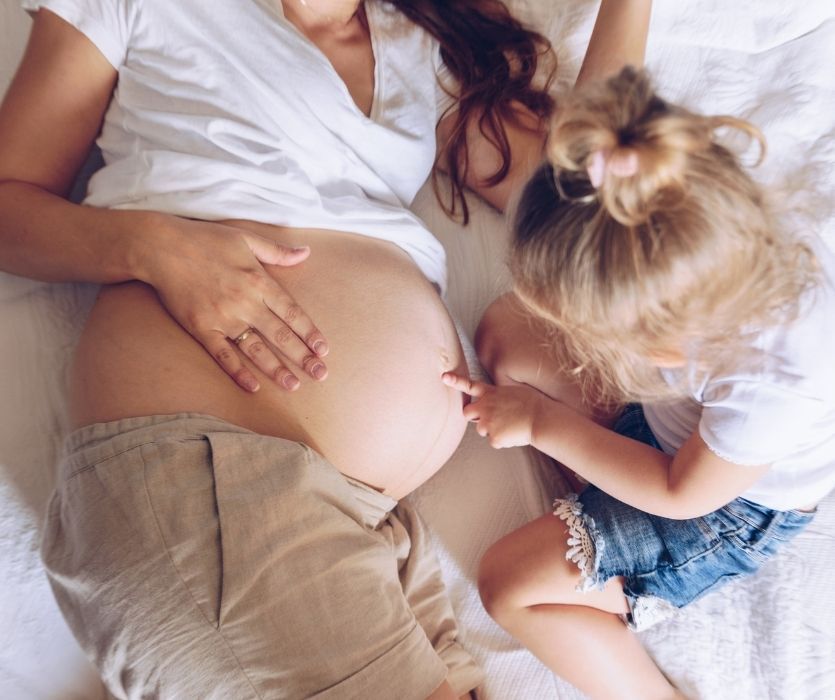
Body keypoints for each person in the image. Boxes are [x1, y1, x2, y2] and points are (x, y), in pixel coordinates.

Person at [0, 0, 652, 697]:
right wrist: (152, 246)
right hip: (204, 482)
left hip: (355, 519)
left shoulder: (417, 39)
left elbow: (579, 195)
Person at [442, 67, 835, 700]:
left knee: (508, 583)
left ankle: (648, 669)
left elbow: (683, 493)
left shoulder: (778, 378)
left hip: (723, 505)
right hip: (673, 420)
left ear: (659, 342)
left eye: (583, 329)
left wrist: (544, 423)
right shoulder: (679, 203)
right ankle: (598, 506)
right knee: (505, 334)